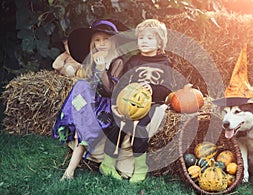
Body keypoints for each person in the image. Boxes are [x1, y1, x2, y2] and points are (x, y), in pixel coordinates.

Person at [106, 19, 185, 183]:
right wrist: (116, 102)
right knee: (115, 124)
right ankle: (107, 164)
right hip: (129, 102)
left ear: (159, 43)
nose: (144, 41)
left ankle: (140, 168)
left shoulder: (165, 62)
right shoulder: (133, 61)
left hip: (151, 103)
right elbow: (121, 84)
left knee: (141, 126)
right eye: (141, 38)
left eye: (150, 38)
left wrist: (153, 88)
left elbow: (168, 88)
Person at [53, 19, 129, 181]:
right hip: (89, 103)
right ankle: (75, 124)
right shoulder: (92, 61)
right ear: (92, 43)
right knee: (81, 87)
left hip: (106, 106)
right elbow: (89, 86)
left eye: (106, 40)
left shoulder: (117, 62)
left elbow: (110, 91)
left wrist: (102, 70)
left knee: (85, 121)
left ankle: (70, 170)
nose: (101, 44)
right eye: (97, 40)